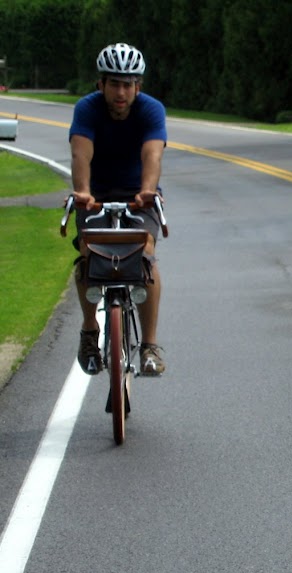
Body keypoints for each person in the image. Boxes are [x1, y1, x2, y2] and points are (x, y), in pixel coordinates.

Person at [69, 43, 167, 376]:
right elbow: (81, 154)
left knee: (144, 257)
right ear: (101, 84)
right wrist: (83, 191)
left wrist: (147, 191)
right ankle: (89, 332)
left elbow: (152, 154)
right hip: (93, 195)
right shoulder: (87, 108)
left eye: (128, 84)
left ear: (138, 86)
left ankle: (149, 346)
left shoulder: (151, 110)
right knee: (89, 256)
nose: (121, 92)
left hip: (140, 194)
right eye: (114, 84)